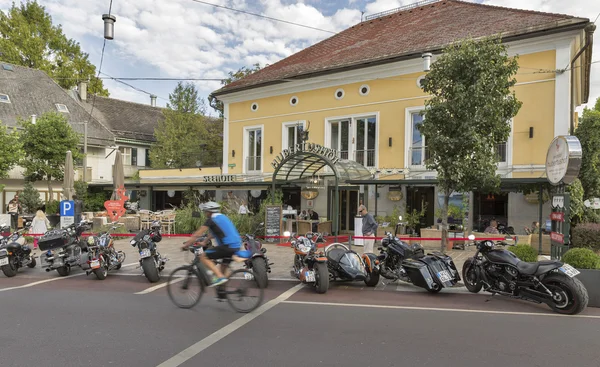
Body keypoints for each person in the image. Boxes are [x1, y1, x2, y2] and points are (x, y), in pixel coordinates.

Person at [181, 201, 241, 287]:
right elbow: (212, 233)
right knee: (222, 269)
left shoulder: (211, 220)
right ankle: (223, 293)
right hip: (236, 246)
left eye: (205, 211)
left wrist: (186, 244)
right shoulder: (222, 217)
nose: (205, 213)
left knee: (203, 256)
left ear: (209, 212)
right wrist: (204, 242)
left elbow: (198, 234)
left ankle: (220, 277)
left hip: (227, 246)